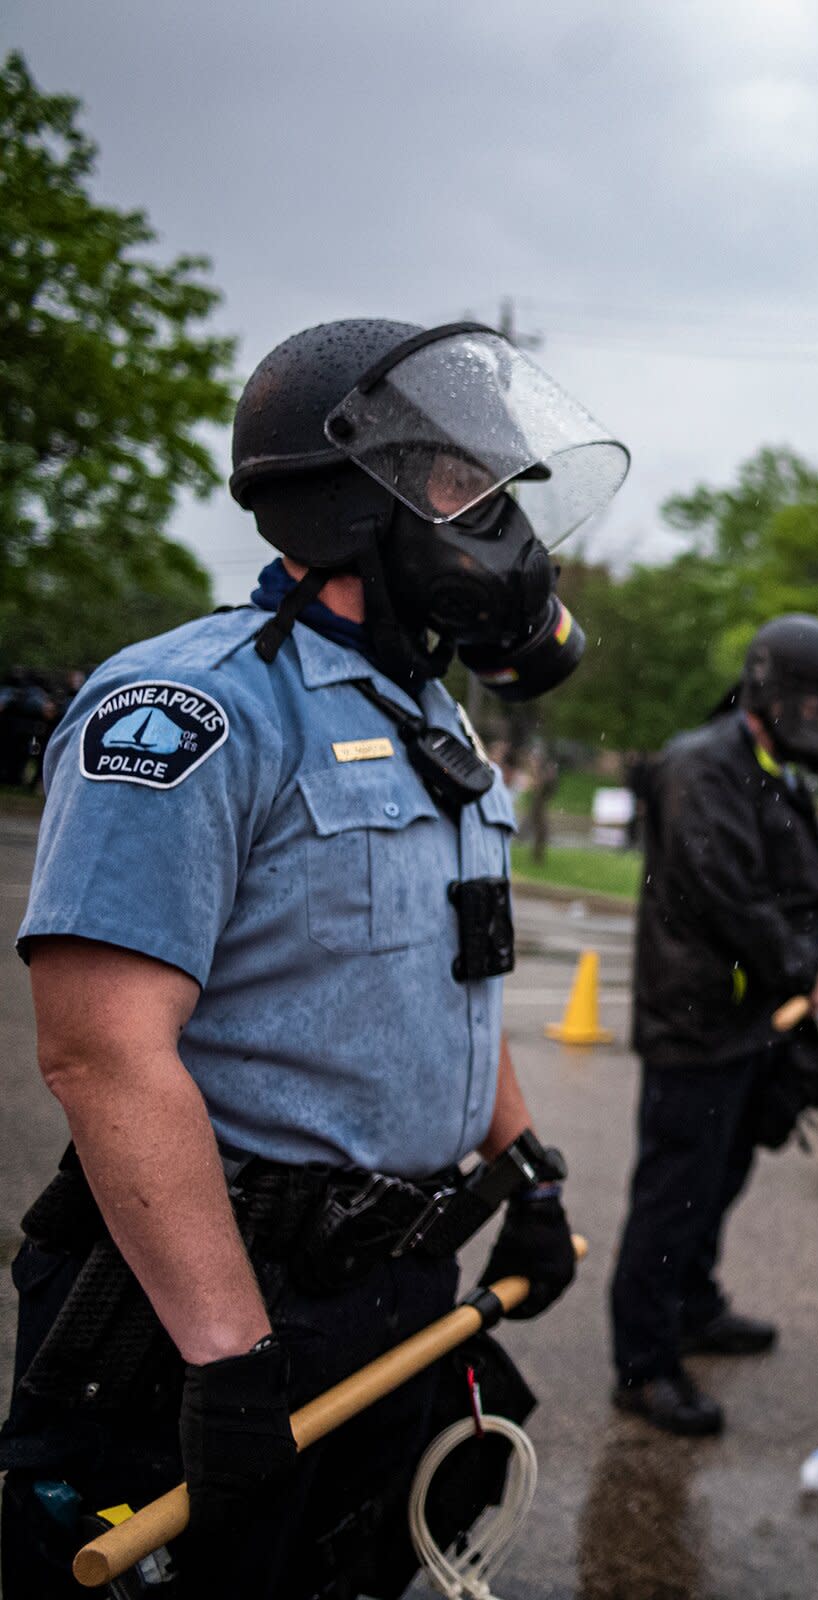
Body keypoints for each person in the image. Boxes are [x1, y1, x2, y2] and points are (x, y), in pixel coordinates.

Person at [0, 318, 604, 1597]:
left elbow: (458, 980)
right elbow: (103, 1054)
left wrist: (522, 1165)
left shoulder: (429, 714)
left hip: (393, 1288)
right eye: (462, 486)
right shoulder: (193, 706)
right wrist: (227, 1360)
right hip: (210, 1300)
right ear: (346, 499)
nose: (497, 522)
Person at [611, 614, 818, 1436]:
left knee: (720, 1180)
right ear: (772, 696)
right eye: (817, 704)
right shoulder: (700, 766)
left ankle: (694, 1303)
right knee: (673, 1193)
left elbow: (802, 889)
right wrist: (800, 963)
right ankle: (643, 1366)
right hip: (695, 1022)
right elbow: (724, 895)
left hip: (752, 1021)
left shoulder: (772, 770)